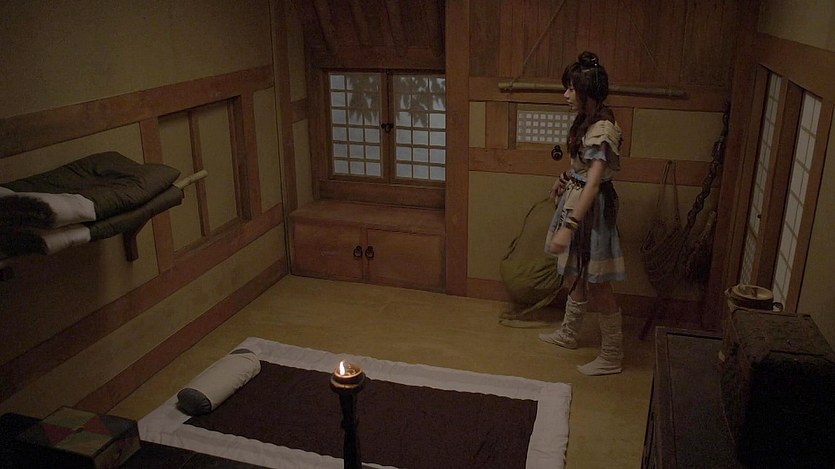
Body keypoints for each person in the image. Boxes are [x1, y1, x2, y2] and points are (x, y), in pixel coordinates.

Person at [538, 51, 626, 376]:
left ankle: (612, 355)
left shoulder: (603, 128)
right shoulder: (585, 121)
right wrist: (562, 179)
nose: (566, 94)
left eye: (571, 89)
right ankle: (569, 333)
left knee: (598, 282)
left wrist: (569, 226)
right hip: (576, 200)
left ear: (587, 91)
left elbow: (594, 182)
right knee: (575, 272)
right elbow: (581, 168)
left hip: (592, 211)